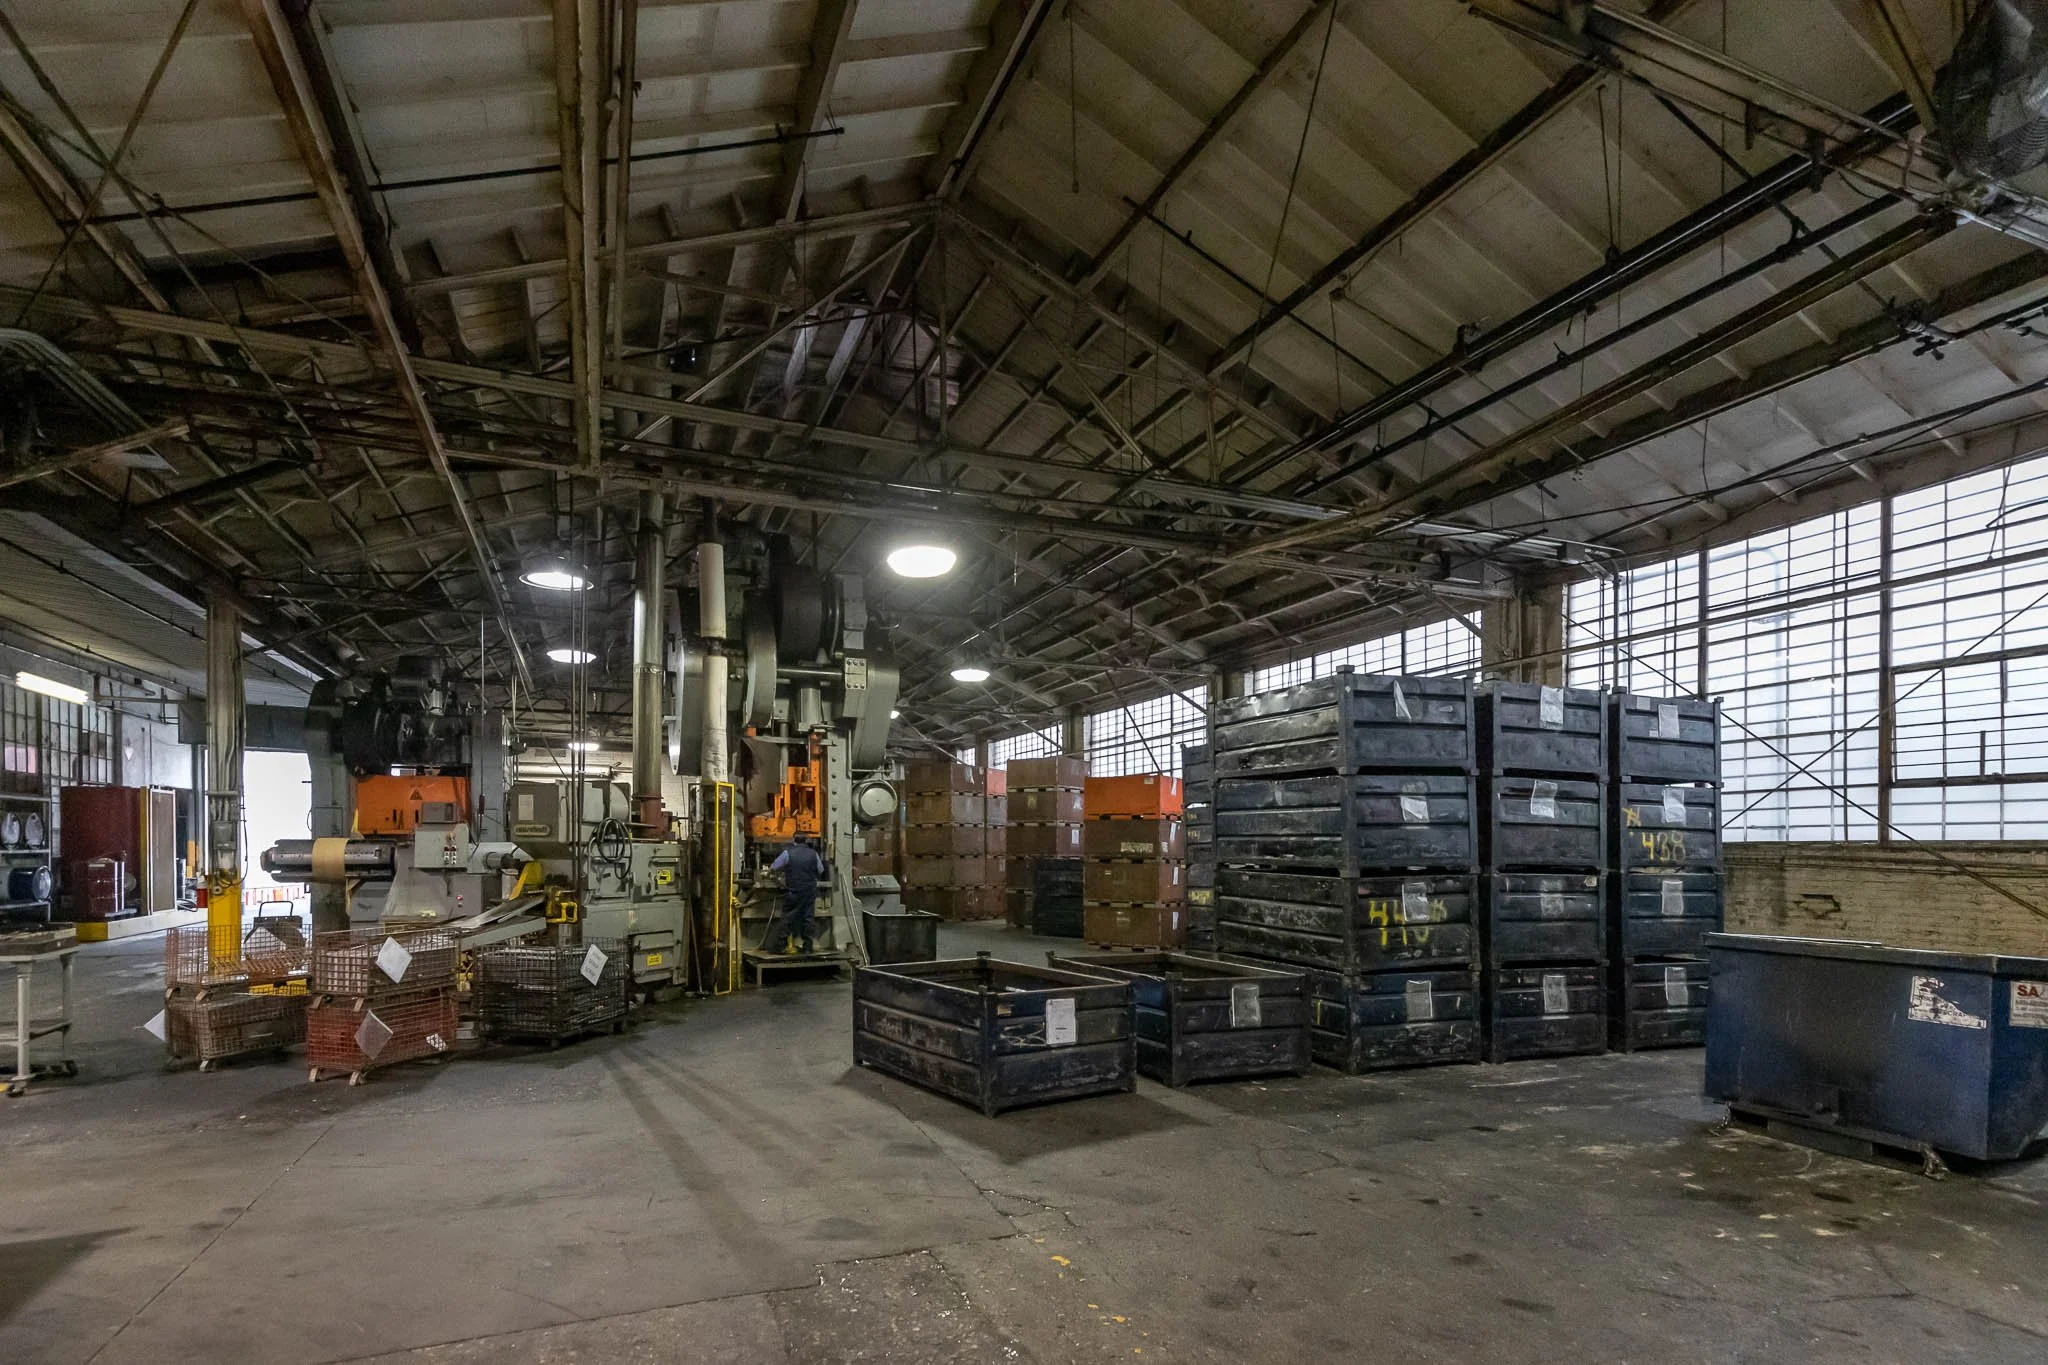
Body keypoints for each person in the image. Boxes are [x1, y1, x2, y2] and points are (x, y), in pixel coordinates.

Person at [768, 832, 826, 955]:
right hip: (809, 891)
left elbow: (773, 868)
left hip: (794, 891)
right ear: (806, 840)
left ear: (793, 840)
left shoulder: (787, 853)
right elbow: (820, 870)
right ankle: (808, 947)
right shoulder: (813, 854)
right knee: (808, 918)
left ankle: (780, 946)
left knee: (788, 918)